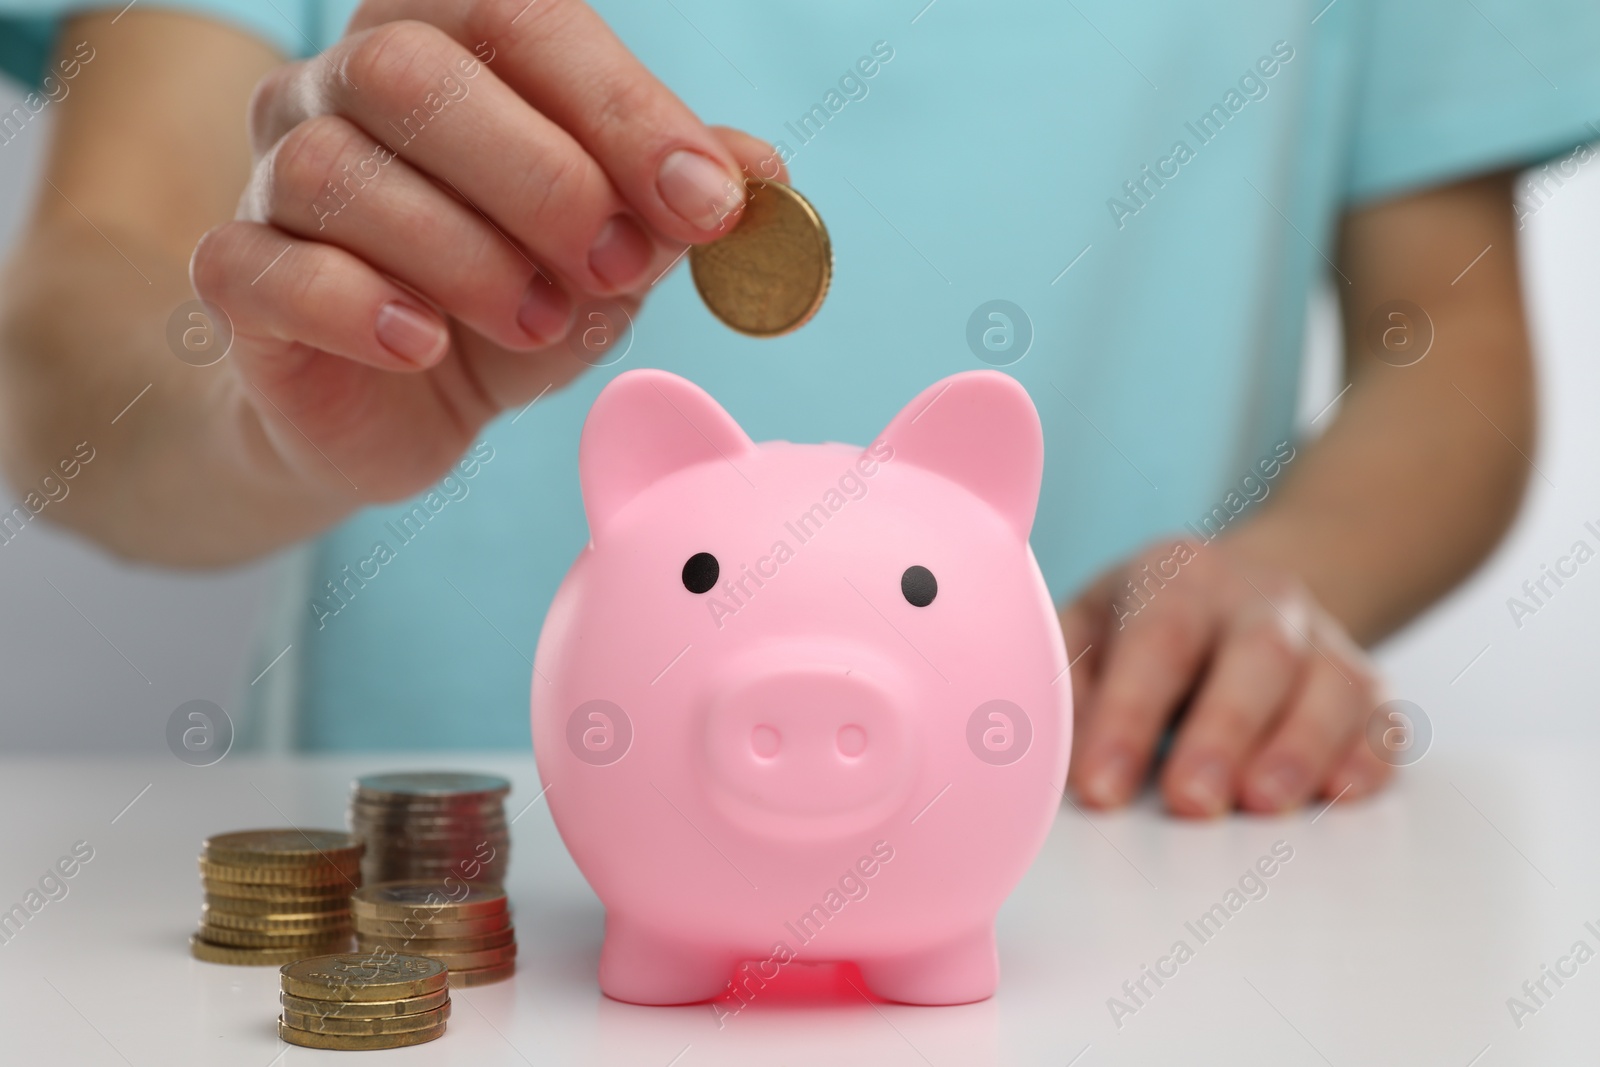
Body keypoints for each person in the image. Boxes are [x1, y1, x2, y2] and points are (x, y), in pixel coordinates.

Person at [0, 0, 1593, 817]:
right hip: (484, 893)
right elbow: (69, 338)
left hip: (1110, 837)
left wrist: (1286, 579)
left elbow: (1445, 358)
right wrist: (259, 413)